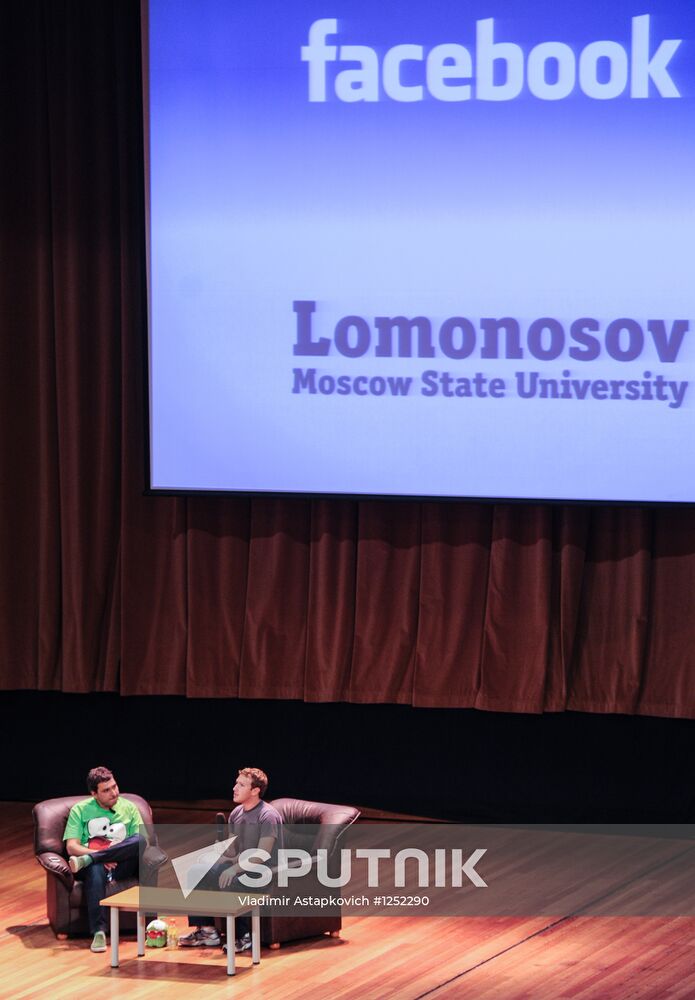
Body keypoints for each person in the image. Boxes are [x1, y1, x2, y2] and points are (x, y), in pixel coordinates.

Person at [179, 766, 283, 953]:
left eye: (241, 785)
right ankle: (207, 931)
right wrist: (220, 852)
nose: (234, 787)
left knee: (233, 880)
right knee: (196, 871)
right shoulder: (236, 814)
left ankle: (243, 937)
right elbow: (234, 852)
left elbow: (262, 853)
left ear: (255, 791)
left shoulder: (268, 815)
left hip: (265, 871)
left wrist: (233, 869)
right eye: (236, 783)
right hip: (242, 864)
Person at [63, 766, 144, 953]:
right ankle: (99, 932)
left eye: (114, 786)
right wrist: (99, 859)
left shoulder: (129, 808)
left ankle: (91, 859)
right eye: (106, 790)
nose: (114, 792)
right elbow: (71, 846)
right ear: (94, 794)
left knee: (141, 839)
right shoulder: (80, 810)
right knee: (95, 868)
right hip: (95, 868)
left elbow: (140, 842)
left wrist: (97, 856)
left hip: (121, 864)